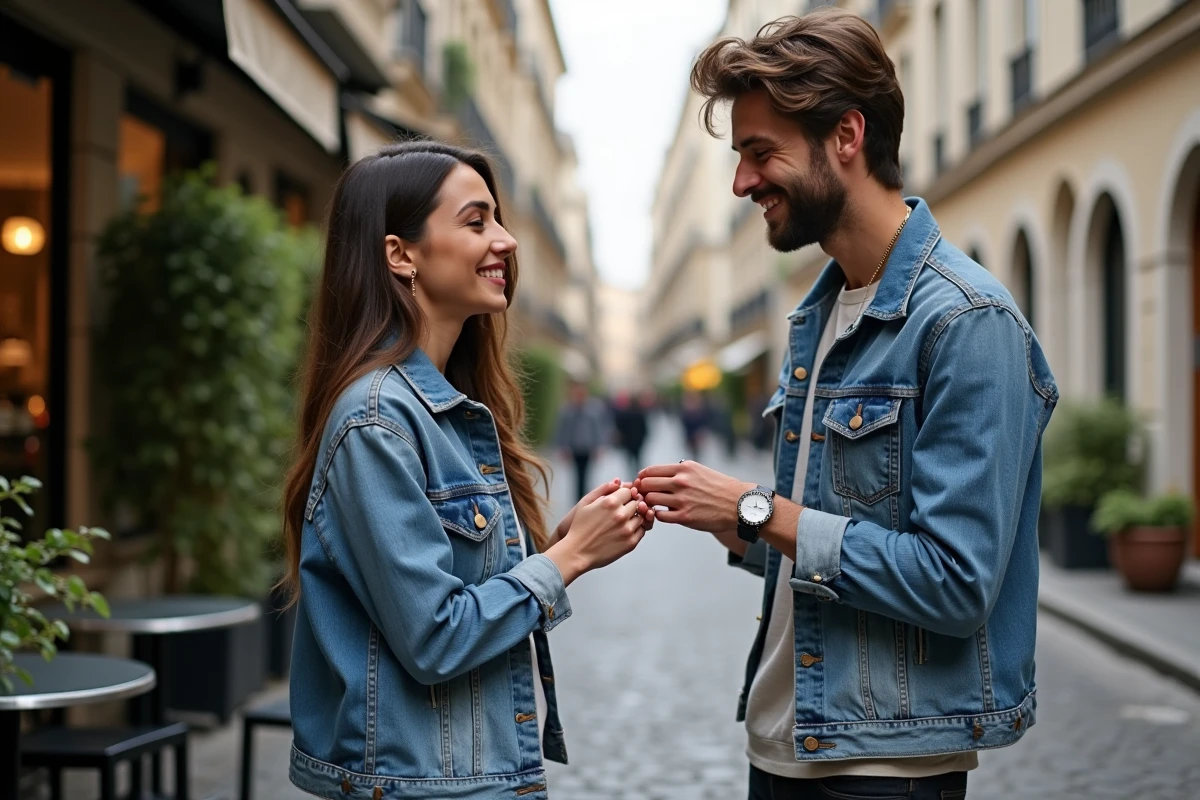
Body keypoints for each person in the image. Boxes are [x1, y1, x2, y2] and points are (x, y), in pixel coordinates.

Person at [637, 10, 1057, 800]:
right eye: (738, 157)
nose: (741, 182)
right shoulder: (818, 316)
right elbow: (845, 539)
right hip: (787, 742)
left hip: (882, 769)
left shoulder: (968, 322)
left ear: (846, 136)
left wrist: (763, 510)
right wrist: (735, 525)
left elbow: (954, 583)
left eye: (762, 153)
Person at [280, 141, 655, 800]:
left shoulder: (447, 408)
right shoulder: (378, 421)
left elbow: (451, 584)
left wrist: (561, 543)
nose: (507, 242)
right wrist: (567, 562)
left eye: (499, 221)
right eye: (476, 221)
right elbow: (434, 637)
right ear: (401, 254)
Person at [554, 381, 613, 501]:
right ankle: (579, 498)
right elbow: (562, 430)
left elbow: (598, 428)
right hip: (574, 448)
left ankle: (585, 497)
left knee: (585, 474)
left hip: (588, 447)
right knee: (577, 475)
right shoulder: (568, 410)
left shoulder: (594, 409)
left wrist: (599, 446)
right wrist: (563, 447)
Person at [610, 389, 649, 475]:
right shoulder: (640, 413)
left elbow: (620, 427)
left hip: (628, 441)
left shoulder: (625, 413)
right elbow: (645, 428)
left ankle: (632, 473)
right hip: (638, 440)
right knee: (637, 458)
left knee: (629, 459)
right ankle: (638, 473)